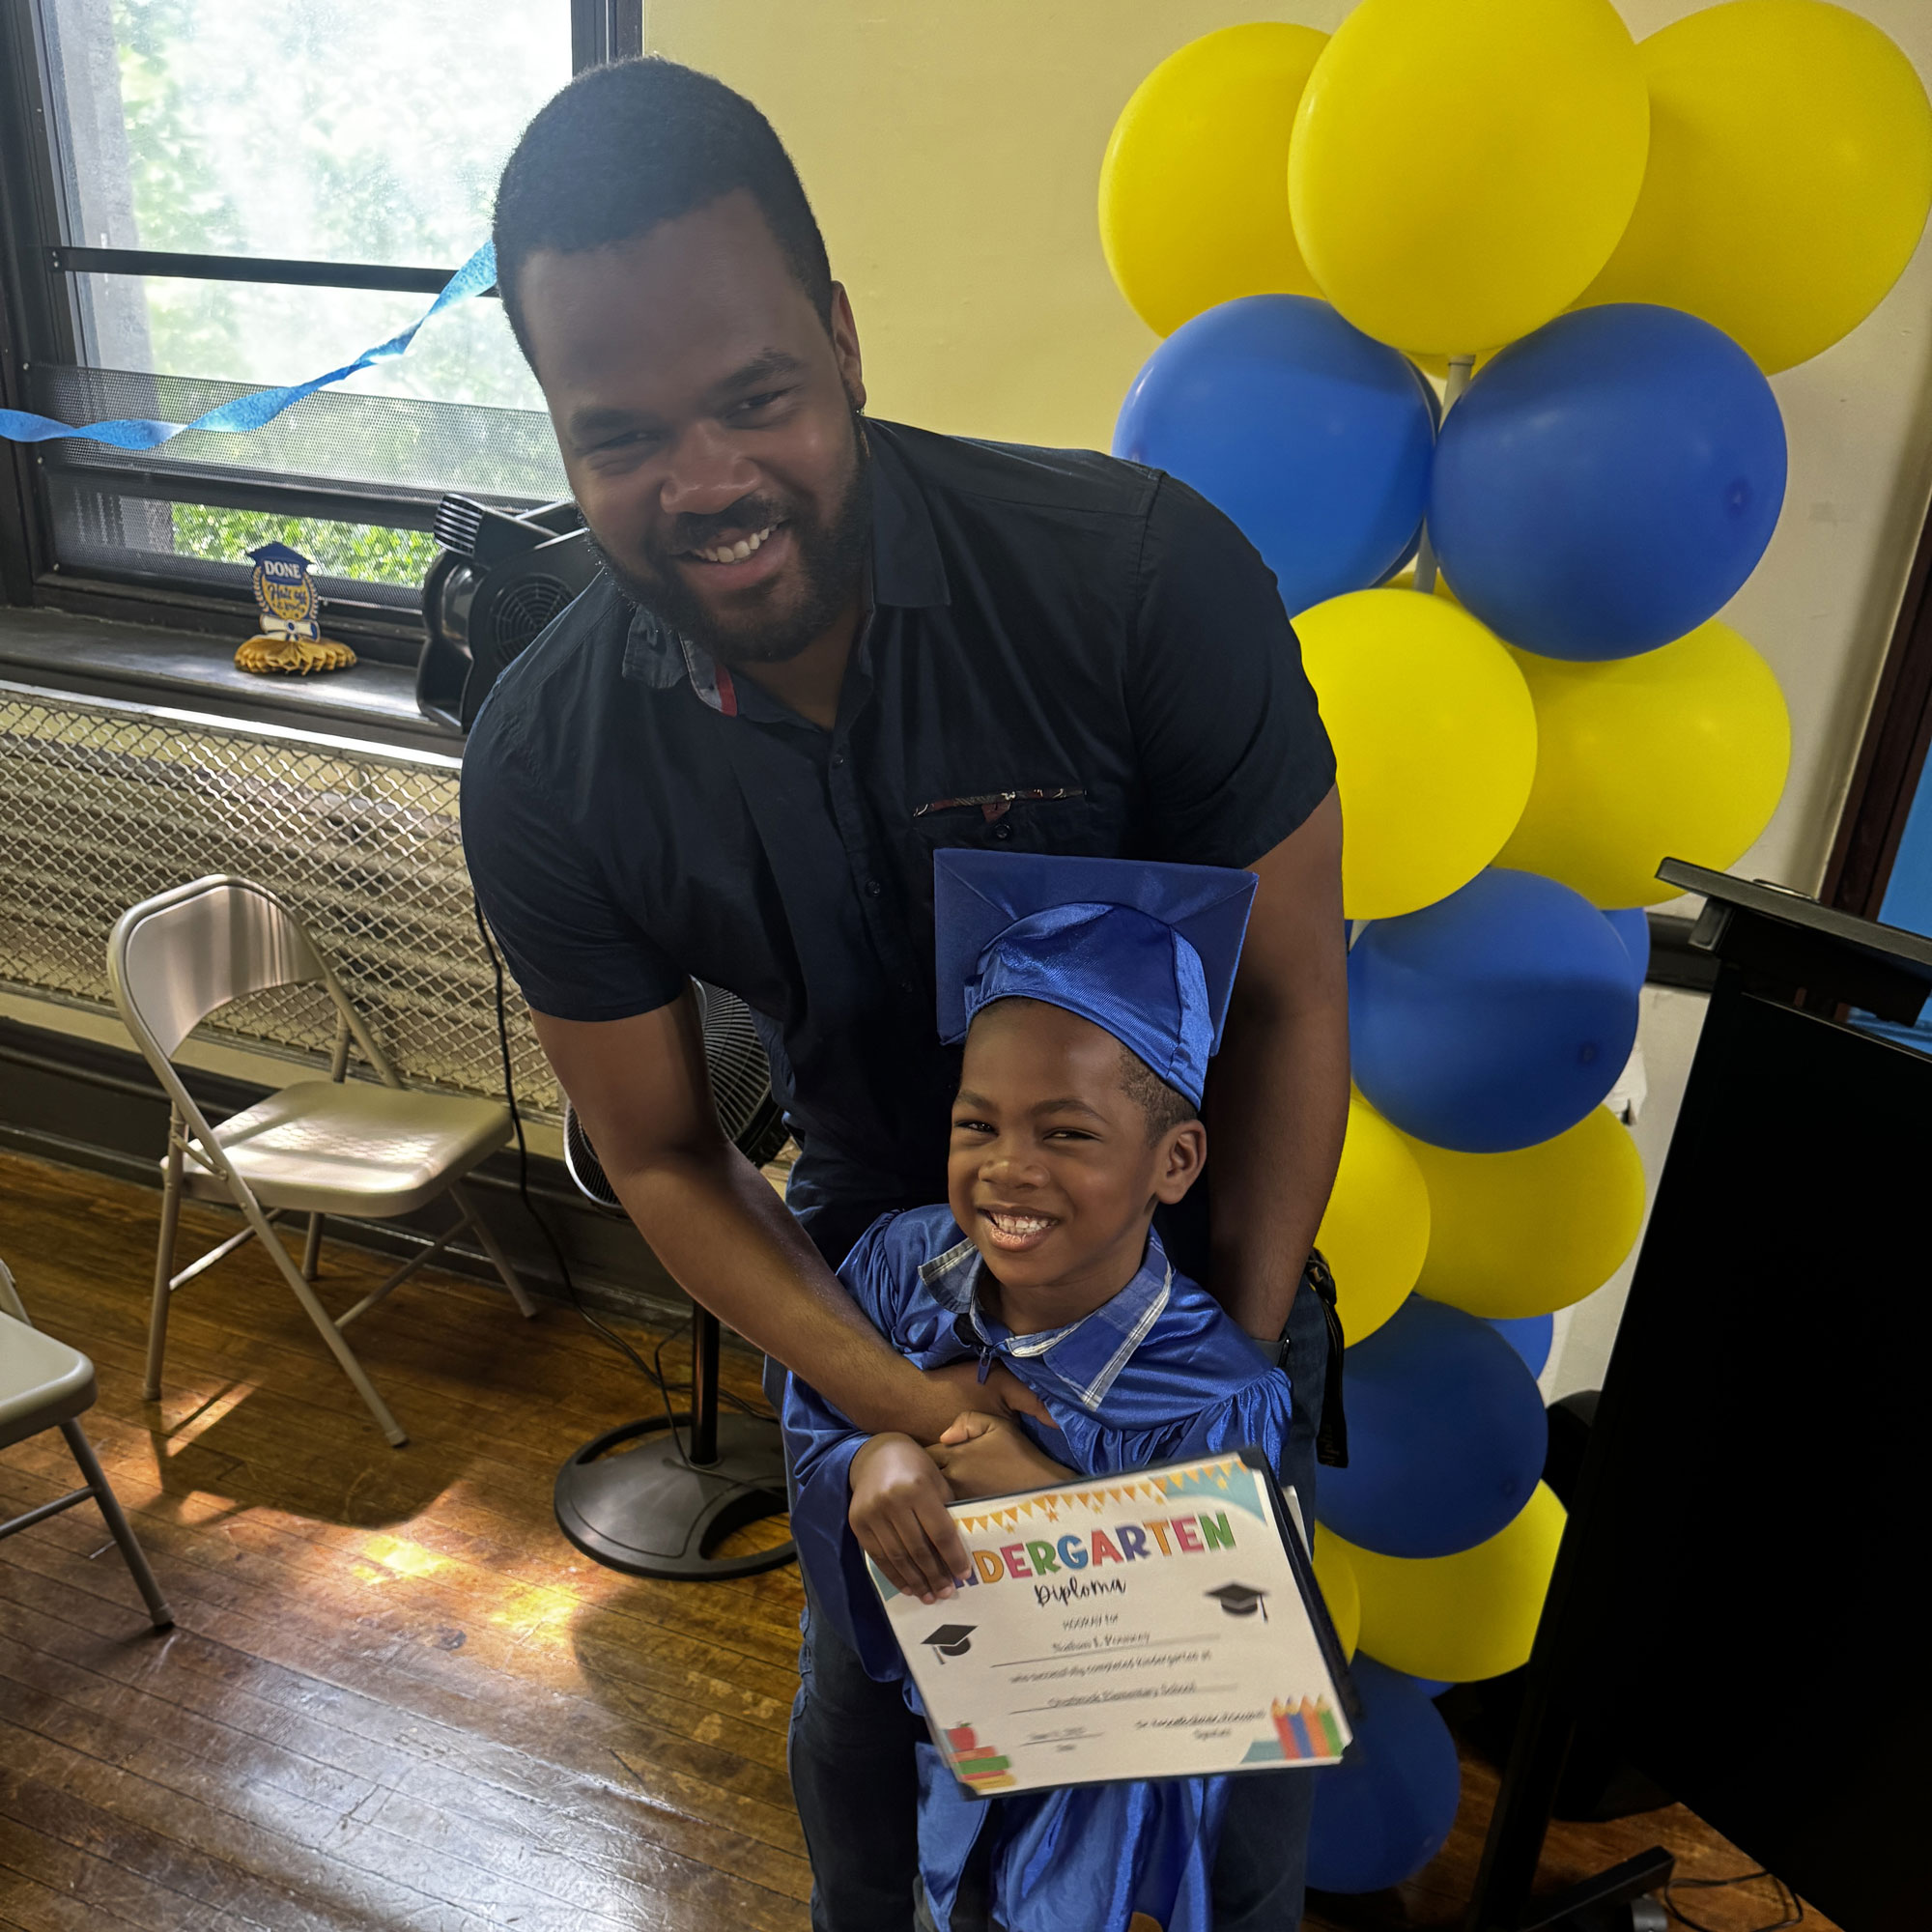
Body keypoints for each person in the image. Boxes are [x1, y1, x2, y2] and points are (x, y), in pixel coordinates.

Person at [462, 55, 1348, 1932]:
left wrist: (1190, 1413)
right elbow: (664, 1152)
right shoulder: (545, 766)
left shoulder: (1135, 583)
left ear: (843, 342)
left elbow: (1281, 1009)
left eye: (755, 398)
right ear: (552, 426)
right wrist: (930, 1414)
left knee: (1218, 1852)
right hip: (868, 1314)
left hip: (1186, 1301)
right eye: (619, 435)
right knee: (878, 1823)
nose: (705, 485)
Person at [784, 850, 1303, 1932]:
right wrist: (872, 1454)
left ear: (1174, 1160)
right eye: (978, 1124)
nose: (1007, 1167)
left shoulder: (1214, 1392)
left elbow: (1209, 1671)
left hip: (1078, 1815)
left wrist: (1038, 1499)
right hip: (919, 1729)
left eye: (1066, 1132)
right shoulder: (894, 1262)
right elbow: (815, 1412)